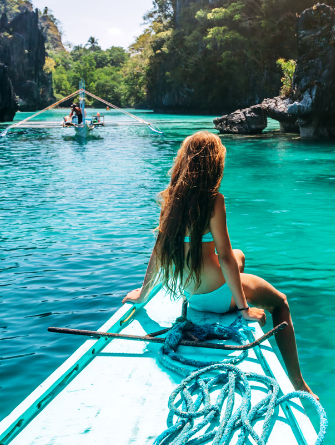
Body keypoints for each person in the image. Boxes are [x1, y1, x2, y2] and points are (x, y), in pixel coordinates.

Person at [123, 131, 315, 397]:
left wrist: (143, 295)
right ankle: (298, 381)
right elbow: (223, 257)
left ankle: (235, 300)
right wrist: (246, 309)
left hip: (193, 295)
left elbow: (157, 254)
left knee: (240, 255)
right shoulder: (214, 200)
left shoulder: (167, 198)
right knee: (279, 302)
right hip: (218, 293)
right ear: (214, 165)